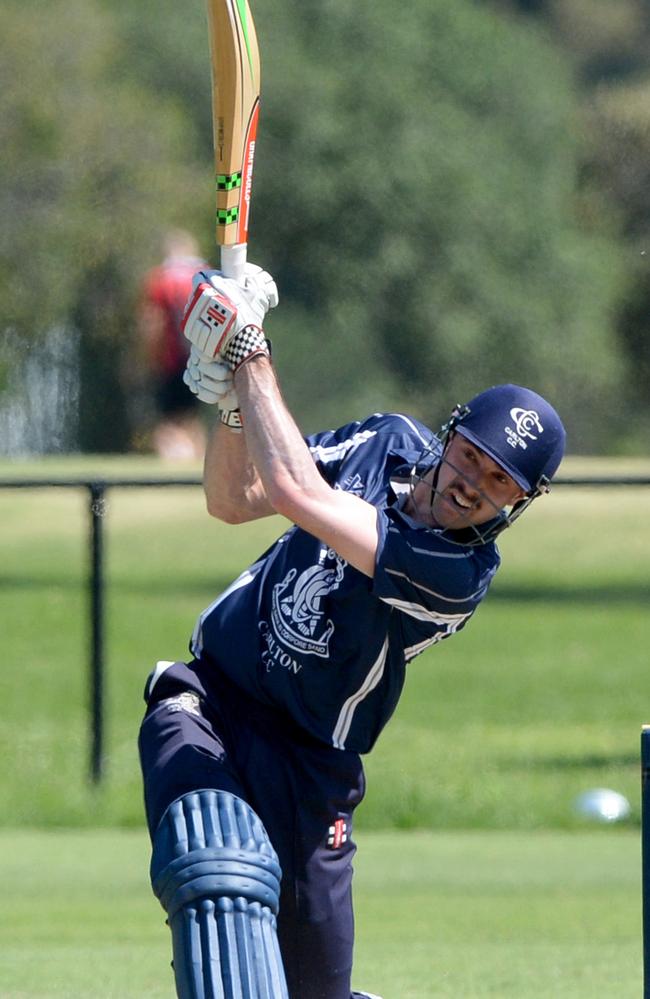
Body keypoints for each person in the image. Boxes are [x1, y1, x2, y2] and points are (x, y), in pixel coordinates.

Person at [138, 263, 566, 999]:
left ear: (517, 503)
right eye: (471, 455)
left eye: (499, 482)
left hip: (311, 764)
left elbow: (295, 490)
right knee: (212, 871)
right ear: (450, 431)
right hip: (209, 697)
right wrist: (234, 405)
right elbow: (235, 496)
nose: (472, 483)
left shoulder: (456, 572)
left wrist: (249, 354)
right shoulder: (383, 441)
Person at [134, 230, 208, 459]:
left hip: (170, 360)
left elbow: (152, 323)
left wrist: (146, 358)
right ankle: (195, 469)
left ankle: (173, 471)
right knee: (192, 420)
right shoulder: (206, 275)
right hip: (202, 357)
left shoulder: (159, 279)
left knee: (166, 423)